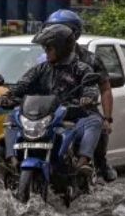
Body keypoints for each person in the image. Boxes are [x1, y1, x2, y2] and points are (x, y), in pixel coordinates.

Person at [0, 24, 103, 182]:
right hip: (41, 116)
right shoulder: (40, 69)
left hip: (71, 117)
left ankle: (82, 165)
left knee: (95, 121)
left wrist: (88, 98)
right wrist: (8, 95)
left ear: (62, 48)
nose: (46, 52)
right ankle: (12, 161)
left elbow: (90, 88)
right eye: (45, 49)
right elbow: (22, 85)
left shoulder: (82, 69)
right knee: (12, 118)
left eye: (49, 48)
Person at [42, 10, 118, 182]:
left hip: (82, 111)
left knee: (99, 125)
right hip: (51, 111)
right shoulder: (43, 59)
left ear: (73, 34)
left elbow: (105, 89)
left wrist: (108, 118)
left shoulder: (90, 60)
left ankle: (96, 164)